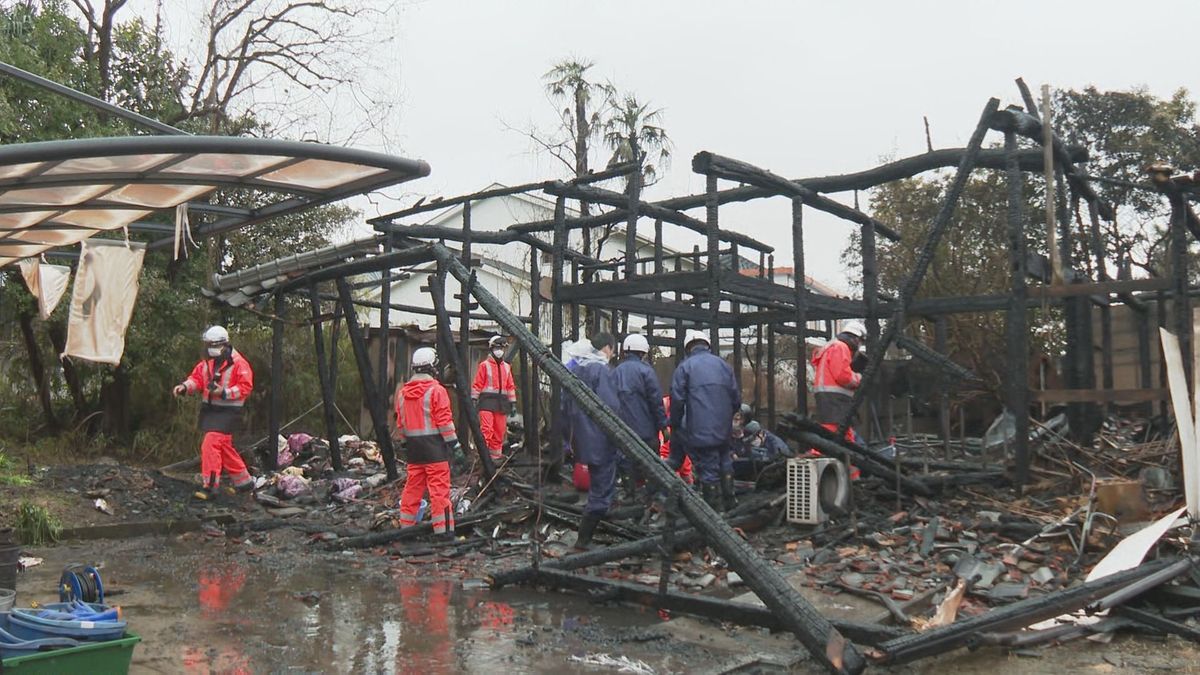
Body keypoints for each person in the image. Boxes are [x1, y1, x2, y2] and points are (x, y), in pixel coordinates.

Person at [173, 326, 254, 500]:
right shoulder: (208, 362)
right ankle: (245, 483)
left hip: (230, 412)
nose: (208, 348)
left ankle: (210, 486)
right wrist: (184, 387)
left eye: (211, 344)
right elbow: (196, 379)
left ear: (223, 344)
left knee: (210, 444)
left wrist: (223, 392)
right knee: (223, 447)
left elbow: (245, 387)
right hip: (211, 410)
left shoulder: (239, 363)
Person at [669, 329, 740, 511]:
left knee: (708, 470)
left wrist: (675, 425)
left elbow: (677, 400)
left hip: (700, 430)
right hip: (723, 429)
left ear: (688, 347)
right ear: (707, 345)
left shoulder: (684, 367)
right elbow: (736, 399)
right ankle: (731, 502)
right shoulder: (723, 366)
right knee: (725, 461)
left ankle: (714, 513)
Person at [395, 347, 461, 536]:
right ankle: (444, 532)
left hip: (414, 451)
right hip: (435, 450)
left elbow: (401, 425)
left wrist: (406, 444)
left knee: (412, 489)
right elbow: (445, 423)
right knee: (439, 492)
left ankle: (405, 530)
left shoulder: (402, 393)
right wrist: (455, 446)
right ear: (432, 367)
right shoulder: (437, 391)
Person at [562, 333, 620, 549]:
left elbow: (563, 407)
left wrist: (568, 441)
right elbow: (610, 407)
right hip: (601, 440)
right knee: (601, 490)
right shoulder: (600, 371)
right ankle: (584, 540)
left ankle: (587, 535)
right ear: (606, 348)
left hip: (581, 440)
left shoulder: (574, 369)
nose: (612, 354)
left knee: (597, 487)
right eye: (612, 350)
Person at [611, 333, 668, 506]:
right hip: (646, 429)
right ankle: (651, 497)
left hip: (622, 429)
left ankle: (630, 494)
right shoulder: (646, 371)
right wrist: (663, 426)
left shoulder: (615, 371)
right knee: (650, 461)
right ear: (643, 352)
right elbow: (656, 402)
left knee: (626, 461)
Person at [811, 320, 867, 479]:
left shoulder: (832, 346)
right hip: (835, 401)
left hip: (829, 400)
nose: (859, 346)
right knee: (844, 441)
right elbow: (843, 376)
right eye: (861, 342)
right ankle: (852, 481)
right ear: (856, 338)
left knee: (830, 436)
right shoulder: (841, 347)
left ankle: (826, 475)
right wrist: (859, 379)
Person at [472, 335, 517, 462]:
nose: (500, 350)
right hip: (486, 402)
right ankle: (482, 457)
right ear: (491, 349)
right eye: (497, 347)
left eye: (502, 348)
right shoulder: (484, 365)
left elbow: (510, 386)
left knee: (499, 431)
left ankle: (495, 458)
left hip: (501, 403)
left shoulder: (507, 367)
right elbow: (477, 384)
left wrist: (513, 403)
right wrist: (474, 399)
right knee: (487, 429)